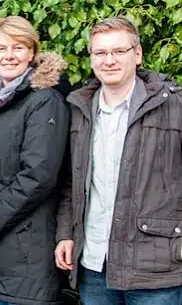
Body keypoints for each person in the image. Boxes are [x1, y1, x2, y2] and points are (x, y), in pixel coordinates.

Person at [54, 17, 182, 305]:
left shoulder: (174, 106)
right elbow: (68, 183)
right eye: (100, 53)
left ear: (137, 54)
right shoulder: (79, 110)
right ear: (91, 58)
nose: (109, 60)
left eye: (119, 51)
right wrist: (66, 233)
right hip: (95, 265)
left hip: (157, 269)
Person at [0, 16, 70, 305]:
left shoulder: (44, 100)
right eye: (1, 48)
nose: (9, 56)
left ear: (32, 52)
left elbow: (38, 176)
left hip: (25, 254)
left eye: (18, 47)